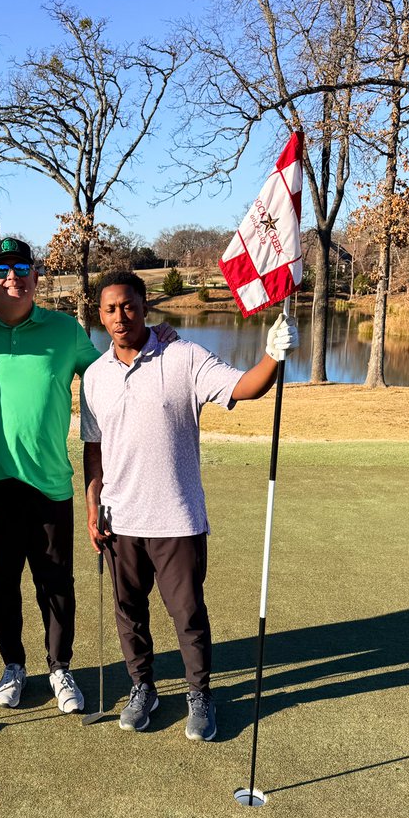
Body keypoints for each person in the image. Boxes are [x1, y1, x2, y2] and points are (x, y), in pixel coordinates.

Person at [80, 271, 299, 742]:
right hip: (121, 519)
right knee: (128, 614)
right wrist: (92, 504)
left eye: (129, 306)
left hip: (176, 517)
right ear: (100, 315)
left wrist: (272, 356)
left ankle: (200, 695)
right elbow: (94, 449)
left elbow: (245, 387)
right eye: (111, 309)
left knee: (188, 616)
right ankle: (144, 689)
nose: (121, 317)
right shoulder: (95, 377)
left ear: (145, 306)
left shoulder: (184, 357)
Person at [0, 238, 101, 715]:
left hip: (49, 484)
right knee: (0, 583)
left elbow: (110, 375)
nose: (14, 276)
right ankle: (13, 665)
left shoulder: (65, 331)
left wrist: (155, 342)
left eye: (23, 267)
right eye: (2, 268)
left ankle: (59, 667)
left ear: (36, 277)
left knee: (56, 583)